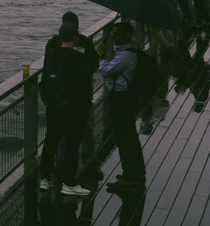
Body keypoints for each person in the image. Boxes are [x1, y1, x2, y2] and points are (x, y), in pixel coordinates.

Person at [39, 11, 96, 197]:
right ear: (75, 37)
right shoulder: (77, 58)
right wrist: (86, 105)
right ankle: (69, 183)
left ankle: (45, 179)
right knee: (72, 144)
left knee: (51, 141)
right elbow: (83, 86)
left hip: (53, 106)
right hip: (73, 108)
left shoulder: (51, 52)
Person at [98, 23, 146, 193]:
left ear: (127, 35)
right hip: (126, 98)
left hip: (122, 99)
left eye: (117, 34)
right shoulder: (128, 52)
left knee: (124, 137)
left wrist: (102, 55)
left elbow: (106, 72)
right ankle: (138, 172)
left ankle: (130, 176)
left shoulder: (126, 55)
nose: (114, 37)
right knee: (130, 135)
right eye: (113, 34)